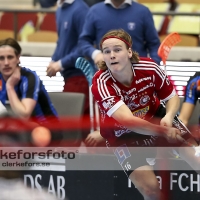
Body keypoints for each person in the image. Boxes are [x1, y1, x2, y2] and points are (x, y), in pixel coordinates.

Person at [91, 29, 200, 200]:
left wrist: (169, 117)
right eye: (106, 51)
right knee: (150, 190)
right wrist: (163, 132)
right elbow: (128, 121)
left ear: (129, 52)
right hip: (123, 135)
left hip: (156, 116)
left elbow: (172, 97)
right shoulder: (101, 83)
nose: (112, 55)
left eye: (117, 50)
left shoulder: (149, 67)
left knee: (197, 158)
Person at [0, 38, 63, 146]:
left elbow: (24, 115)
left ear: (18, 58)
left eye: (10, 57)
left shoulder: (29, 77)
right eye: (1, 58)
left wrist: (10, 86)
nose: (6, 63)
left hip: (46, 129)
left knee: (38, 136)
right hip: (18, 128)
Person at [46, 0, 91, 143]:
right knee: (79, 128)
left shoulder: (80, 10)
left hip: (80, 76)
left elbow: (84, 45)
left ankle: (71, 162)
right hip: (70, 76)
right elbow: (62, 41)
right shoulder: (60, 8)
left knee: (70, 129)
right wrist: (53, 60)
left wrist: (60, 63)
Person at [78, 0, 161, 67]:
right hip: (105, 75)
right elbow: (83, 41)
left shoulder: (143, 12)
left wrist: (153, 66)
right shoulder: (94, 11)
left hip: (137, 77)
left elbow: (154, 44)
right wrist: (95, 54)